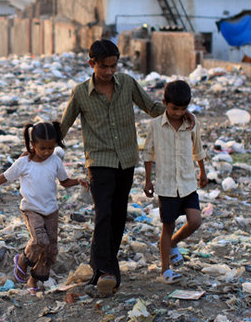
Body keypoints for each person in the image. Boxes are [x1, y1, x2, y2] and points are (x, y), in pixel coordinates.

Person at [60, 39, 191, 297]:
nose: (109, 71)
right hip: (98, 161)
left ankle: (100, 269)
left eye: (113, 66)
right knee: (104, 215)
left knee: (119, 215)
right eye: (104, 67)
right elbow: (63, 127)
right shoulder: (79, 94)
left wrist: (179, 114)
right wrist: (38, 148)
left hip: (126, 160)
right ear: (92, 64)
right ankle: (109, 272)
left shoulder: (128, 84)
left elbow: (151, 107)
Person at [0, 122, 89, 292]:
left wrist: (78, 180)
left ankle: (34, 280)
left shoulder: (55, 160)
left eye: (51, 148)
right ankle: (23, 260)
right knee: (40, 240)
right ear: (33, 145)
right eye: (43, 148)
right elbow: (4, 177)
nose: (47, 152)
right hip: (31, 208)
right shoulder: (23, 162)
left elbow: (64, 181)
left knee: (51, 249)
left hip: (51, 211)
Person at [141, 80, 208, 283]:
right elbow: (148, 154)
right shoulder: (155, 126)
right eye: (174, 108)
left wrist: (203, 172)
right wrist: (147, 181)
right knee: (167, 226)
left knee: (195, 220)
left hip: (188, 183)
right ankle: (165, 270)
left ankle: (173, 244)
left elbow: (198, 148)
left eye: (183, 109)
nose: (178, 113)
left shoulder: (191, 123)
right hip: (167, 185)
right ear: (165, 103)